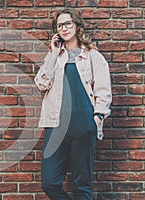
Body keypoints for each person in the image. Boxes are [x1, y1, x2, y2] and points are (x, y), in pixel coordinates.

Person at [34, 8, 112, 200]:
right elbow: (41, 84)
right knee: (49, 182)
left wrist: (97, 117)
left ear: (76, 26)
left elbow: (103, 90)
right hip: (56, 126)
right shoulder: (54, 57)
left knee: (82, 184)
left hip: (83, 123)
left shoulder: (93, 56)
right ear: (56, 31)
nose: (64, 28)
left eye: (68, 23)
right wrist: (53, 54)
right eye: (60, 25)